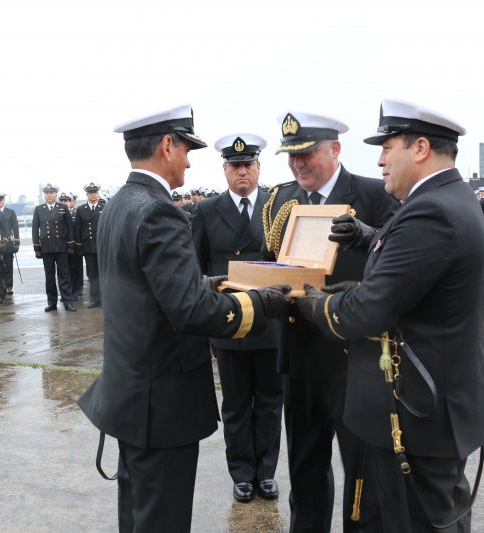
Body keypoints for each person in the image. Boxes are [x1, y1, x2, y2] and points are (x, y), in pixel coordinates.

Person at [77, 105, 290, 533]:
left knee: (138, 515)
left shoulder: (119, 204)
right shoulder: (159, 211)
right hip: (162, 403)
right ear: (166, 146)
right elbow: (187, 310)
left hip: (131, 396)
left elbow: (150, 288)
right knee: (163, 520)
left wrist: (208, 283)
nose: (190, 161)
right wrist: (259, 305)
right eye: (186, 149)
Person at [296, 98, 484, 532]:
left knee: (409, 521)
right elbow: (414, 278)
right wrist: (368, 238)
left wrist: (306, 299)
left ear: (421, 148)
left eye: (387, 147)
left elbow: (366, 313)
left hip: (416, 416)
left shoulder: (431, 211)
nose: (379, 160)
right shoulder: (447, 199)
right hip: (431, 404)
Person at [262, 110, 399, 532]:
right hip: (300, 354)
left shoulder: (376, 194)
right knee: (304, 464)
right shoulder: (284, 202)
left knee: (361, 470)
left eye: (307, 154)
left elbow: (400, 256)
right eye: (292, 157)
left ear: (335, 149)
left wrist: (369, 232)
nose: (298, 164)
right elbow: (272, 262)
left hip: (352, 357)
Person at [191, 133, 283, 503]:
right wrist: (207, 326)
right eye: (234, 166)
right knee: (235, 403)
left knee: (269, 402)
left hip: (270, 322)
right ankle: (242, 472)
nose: (242, 171)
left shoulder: (277, 207)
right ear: (225, 170)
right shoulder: (206, 211)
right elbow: (197, 270)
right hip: (228, 322)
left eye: (248, 165)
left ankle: (267, 472)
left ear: (259, 167)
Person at [31, 184, 76, 312]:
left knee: (64, 276)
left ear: (56, 194)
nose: (49, 195)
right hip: (46, 248)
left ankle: (68, 302)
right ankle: (52, 303)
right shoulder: (39, 209)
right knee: (49, 277)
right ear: (44, 194)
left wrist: (70, 245)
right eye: (47, 192)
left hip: (61, 247)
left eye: (51, 192)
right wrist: (37, 248)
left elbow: (69, 228)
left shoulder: (62, 207)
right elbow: (35, 229)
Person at [75, 182, 105, 308]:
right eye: (90, 193)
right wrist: (78, 245)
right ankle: (94, 298)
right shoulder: (81, 210)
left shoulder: (105, 207)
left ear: (98, 194)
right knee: (92, 273)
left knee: (103, 273)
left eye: (95, 192)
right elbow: (78, 229)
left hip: (102, 246)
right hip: (88, 246)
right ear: (87, 194)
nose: (93, 195)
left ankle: (104, 299)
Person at [0, 193, 20, 295]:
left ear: (4, 200)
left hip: (8, 243)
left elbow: (15, 228)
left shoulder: (10, 212)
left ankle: (9, 285)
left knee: (8, 265)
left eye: (0, 200)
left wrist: (17, 243)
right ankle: (0, 286)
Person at [61, 191, 84, 300]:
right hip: (63, 247)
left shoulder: (77, 212)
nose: (64, 202)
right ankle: (67, 292)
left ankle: (77, 291)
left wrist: (78, 245)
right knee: (65, 271)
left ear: (71, 202)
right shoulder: (59, 213)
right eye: (62, 200)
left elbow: (80, 230)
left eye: (66, 200)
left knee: (76, 269)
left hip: (76, 246)